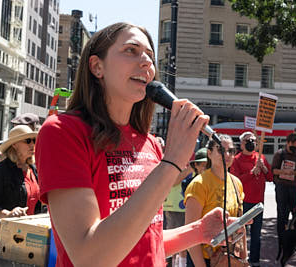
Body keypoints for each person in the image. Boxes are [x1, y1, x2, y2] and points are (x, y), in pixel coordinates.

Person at [35, 22, 237, 267]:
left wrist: (198, 231)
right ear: (97, 66)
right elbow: (90, 257)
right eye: (131, 50)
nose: (146, 63)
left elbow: (141, 243)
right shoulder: (62, 132)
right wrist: (171, 162)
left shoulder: (149, 143)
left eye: (150, 56)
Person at [184, 135, 246, 267]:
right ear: (209, 153)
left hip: (229, 257)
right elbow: (189, 234)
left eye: (231, 151)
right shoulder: (199, 184)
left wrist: (244, 258)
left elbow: (241, 224)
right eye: (221, 150)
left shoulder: (236, 183)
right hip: (204, 259)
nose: (227, 155)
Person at [0, 125, 41, 246]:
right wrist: (8, 214)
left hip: (27, 235)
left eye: (34, 140)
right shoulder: (0, 171)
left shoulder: (33, 170)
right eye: (28, 141)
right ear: (14, 145)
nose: (32, 144)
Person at [230, 131, 273, 267]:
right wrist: (251, 173)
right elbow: (234, 180)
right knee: (240, 234)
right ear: (241, 144)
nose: (251, 143)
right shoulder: (236, 160)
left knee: (256, 235)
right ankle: (239, 260)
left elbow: (270, 178)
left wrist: (264, 169)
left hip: (258, 203)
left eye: (253, 140)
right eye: (248, 140)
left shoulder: (261, 158)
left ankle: (255, 261)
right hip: (243, 203)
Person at [271, 133, 296, 252]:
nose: (294, 147)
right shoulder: (280, 154)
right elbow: (274, 170)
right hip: (281, 187)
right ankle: (282, 240)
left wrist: (295, 173)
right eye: (292, 145)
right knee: (282, 214)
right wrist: (284, 171)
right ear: (287, 143)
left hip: (294, 188)